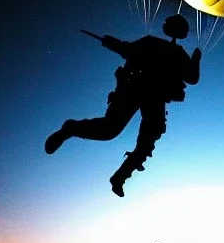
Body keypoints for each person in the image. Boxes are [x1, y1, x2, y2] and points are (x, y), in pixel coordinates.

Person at [45, 14, 202, 197]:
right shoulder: (160, 47)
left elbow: (190, 77)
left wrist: (195, 60)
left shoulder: (171, 51)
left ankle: (119, 176)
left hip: (150, 96)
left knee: (141, 137)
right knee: (113, 130)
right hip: (135, 89)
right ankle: (71, 129)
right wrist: (196, 59)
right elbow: (191, 77)